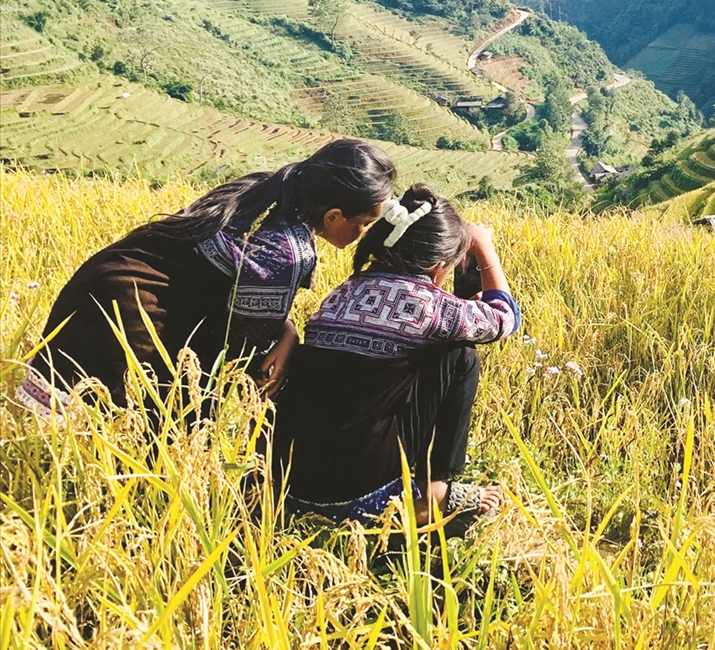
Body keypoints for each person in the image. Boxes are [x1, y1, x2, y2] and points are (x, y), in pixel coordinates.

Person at [18, 140, 395, 416]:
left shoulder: (268, 187)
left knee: (77, 424)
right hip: (134, 310)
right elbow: (240, 345)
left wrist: (285, 328)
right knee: (138, 424)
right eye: (363, 223)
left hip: (104, 278)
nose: (362, 234)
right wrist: (288, 338)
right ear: (332, 216)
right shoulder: (289, 251)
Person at [274, 184, 520, 524]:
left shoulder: (342, 294)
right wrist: (483, 248)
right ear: (438, 266)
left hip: (295, 485)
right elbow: (505, 319)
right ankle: (432, 491)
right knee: (459, 355)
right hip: (361, 494)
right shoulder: (433, 310)